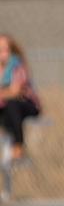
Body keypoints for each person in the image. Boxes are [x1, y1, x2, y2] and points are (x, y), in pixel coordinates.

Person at [0, 34, 41, 164]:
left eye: (5, 49)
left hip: (25, 104)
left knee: (12, 105)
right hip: (5, 107)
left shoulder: (16, 66)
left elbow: (15, 91)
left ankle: (18, 147)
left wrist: (6, 93)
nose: (2, 53)